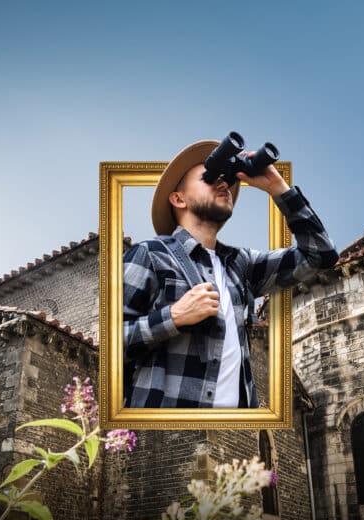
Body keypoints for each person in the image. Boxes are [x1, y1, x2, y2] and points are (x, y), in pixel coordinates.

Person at [123, 138, 338, 408]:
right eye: (209, 177)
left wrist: (278, 188)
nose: (223, 183)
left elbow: (320, 255)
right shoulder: (150, 254)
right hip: (168, 432)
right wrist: (173, 317)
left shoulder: (241, 264)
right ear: (178, 199)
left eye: (225, 179)